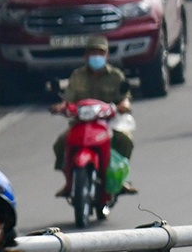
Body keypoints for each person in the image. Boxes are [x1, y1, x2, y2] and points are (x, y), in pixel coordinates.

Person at [51, 35, 135, 190]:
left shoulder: (116, 76)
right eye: (93, 53)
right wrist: (60, 107)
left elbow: (124, 97)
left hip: (109, 122)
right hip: (81, 122)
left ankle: (121, 178)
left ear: (106, 56)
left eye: (100, 53)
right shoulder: (77, 76)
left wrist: (124, 105)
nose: (96, 56)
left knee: (124, 140)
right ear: (86, 56)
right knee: (61, 143)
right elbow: (68, 98)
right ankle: (69, 181)